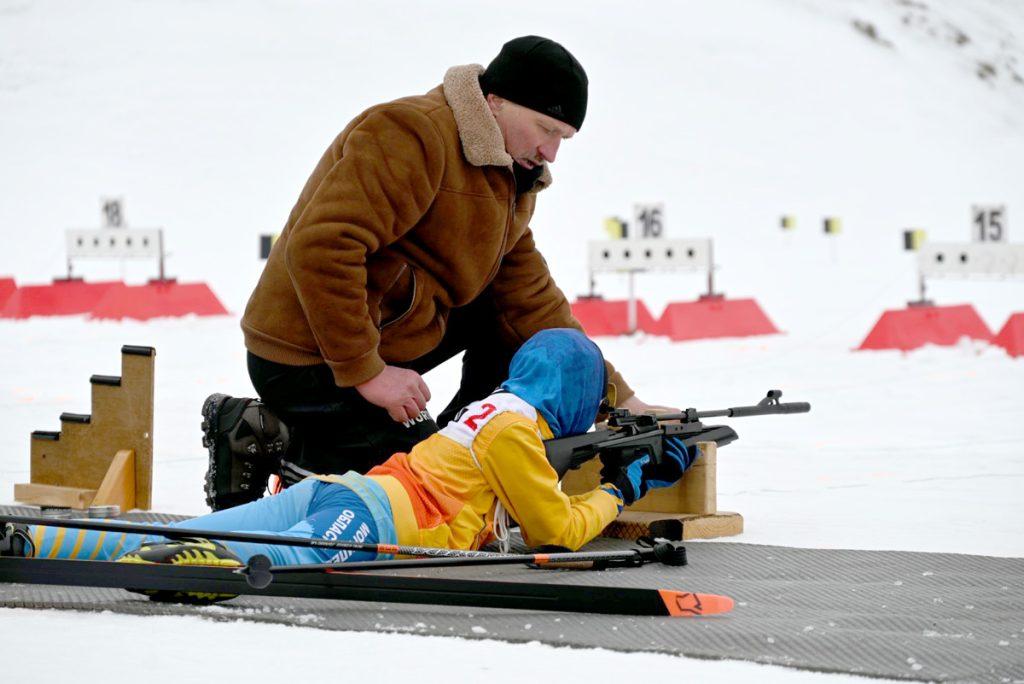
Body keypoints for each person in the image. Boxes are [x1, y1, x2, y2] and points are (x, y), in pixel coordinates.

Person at [202, 36, 670, 511]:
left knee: (511, 324)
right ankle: (266, 434)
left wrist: (619, 399)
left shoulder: (510, 176)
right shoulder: (410, 135)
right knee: (423, 499)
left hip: (387, 339)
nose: (551, 152)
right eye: (546, 129)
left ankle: (456, 446)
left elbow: (530, 299)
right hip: (308, 357)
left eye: (563, 139)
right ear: (495, 101)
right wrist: (368, 373)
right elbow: (322, 247)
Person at [3, 330, 693, 584]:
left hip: (347, 493)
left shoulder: (495, 412)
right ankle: (187, 573)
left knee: (188, 532)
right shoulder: (515, 435)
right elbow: (556, 532)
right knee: (259, 563)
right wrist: (623, 488)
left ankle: (34, 539)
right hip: (374, 521)